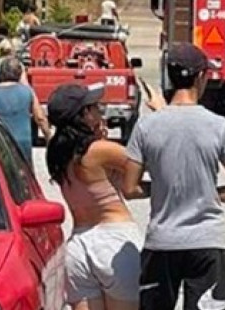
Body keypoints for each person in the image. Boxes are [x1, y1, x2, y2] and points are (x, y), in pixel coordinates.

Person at [122, 43, 225, 310]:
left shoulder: (146, 126)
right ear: (201, 77)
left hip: (161, 243)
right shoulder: (219, 126)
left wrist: (160, 187)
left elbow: (129, 188)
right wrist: (203, 191)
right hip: (207, 242)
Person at [47, 82, 156, 310]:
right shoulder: (100, 150)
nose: (101, 110)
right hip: (113, 240)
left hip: (79, 243)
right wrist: (160, 117)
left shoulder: (57, 152)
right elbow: (149, 163)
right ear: (84, 115)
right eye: (94, 106)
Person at [0, 56, 50, 156]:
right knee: (25, 170)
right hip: (22, 142)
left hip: (0, 142)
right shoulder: (27, 92)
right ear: (19, 73)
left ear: (0, 73)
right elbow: (40, 118)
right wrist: (48, 137)